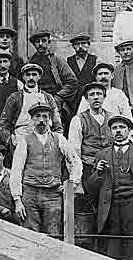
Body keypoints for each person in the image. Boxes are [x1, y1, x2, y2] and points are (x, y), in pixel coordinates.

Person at [87, 115, 133, 260]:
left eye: (122, 127)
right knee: (112, 252)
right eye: (114, 128)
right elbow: (91, 188)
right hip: (110, 208)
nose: (118, 131)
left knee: (132, 250)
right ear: (110, 131)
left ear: (129, 130)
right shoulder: (102, 154)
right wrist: (98, 173)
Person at [10, 102, 82, 238]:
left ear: (50, 119)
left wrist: (72, 183)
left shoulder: (59, 139)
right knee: (29, 236)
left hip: (53, 195)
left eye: (45, 116)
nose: (41, 120)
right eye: (37, 116)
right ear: (32, 119)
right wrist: (17, 200)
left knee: (53, 235)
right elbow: (16, 171)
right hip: (30, 194)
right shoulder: (25, 140)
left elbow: (75, 161)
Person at [0, 63, 63, 150]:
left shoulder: (48, 97)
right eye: (28, 75)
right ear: (23, 77)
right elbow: (3, 125)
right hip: (21, 139)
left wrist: (57, 142)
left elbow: (57, 124)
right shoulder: (15, 97)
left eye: (34, 75)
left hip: (45, 140)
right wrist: (10, 141)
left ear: (39, 77)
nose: (31, 78)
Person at [28, 29, 78, 130]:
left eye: (43, 41)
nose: (40, 44)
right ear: (33, 44)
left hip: (54, 100)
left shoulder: (57, 60)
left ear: (49, 42)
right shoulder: (30, 62)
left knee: (56, 128)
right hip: (36, 99)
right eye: (37, 42)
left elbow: (72, 81)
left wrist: (59, 96)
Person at [68, 82, 112, 195]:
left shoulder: (112, 118)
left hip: (110, 167)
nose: (96, 97)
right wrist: (77, 179)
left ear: (104, 97)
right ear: (86, 99)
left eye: (99, 94)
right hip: (89, 168)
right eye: (92, 94)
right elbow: (74, 151)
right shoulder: (78, 120)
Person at [66, 33, 98, 109]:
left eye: (83, 43)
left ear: (88, 45)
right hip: (73, 99)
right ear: (73, 46)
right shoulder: (68, 61)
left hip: (90, 98)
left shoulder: (95, 60)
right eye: (77, 44)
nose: (80, 47)